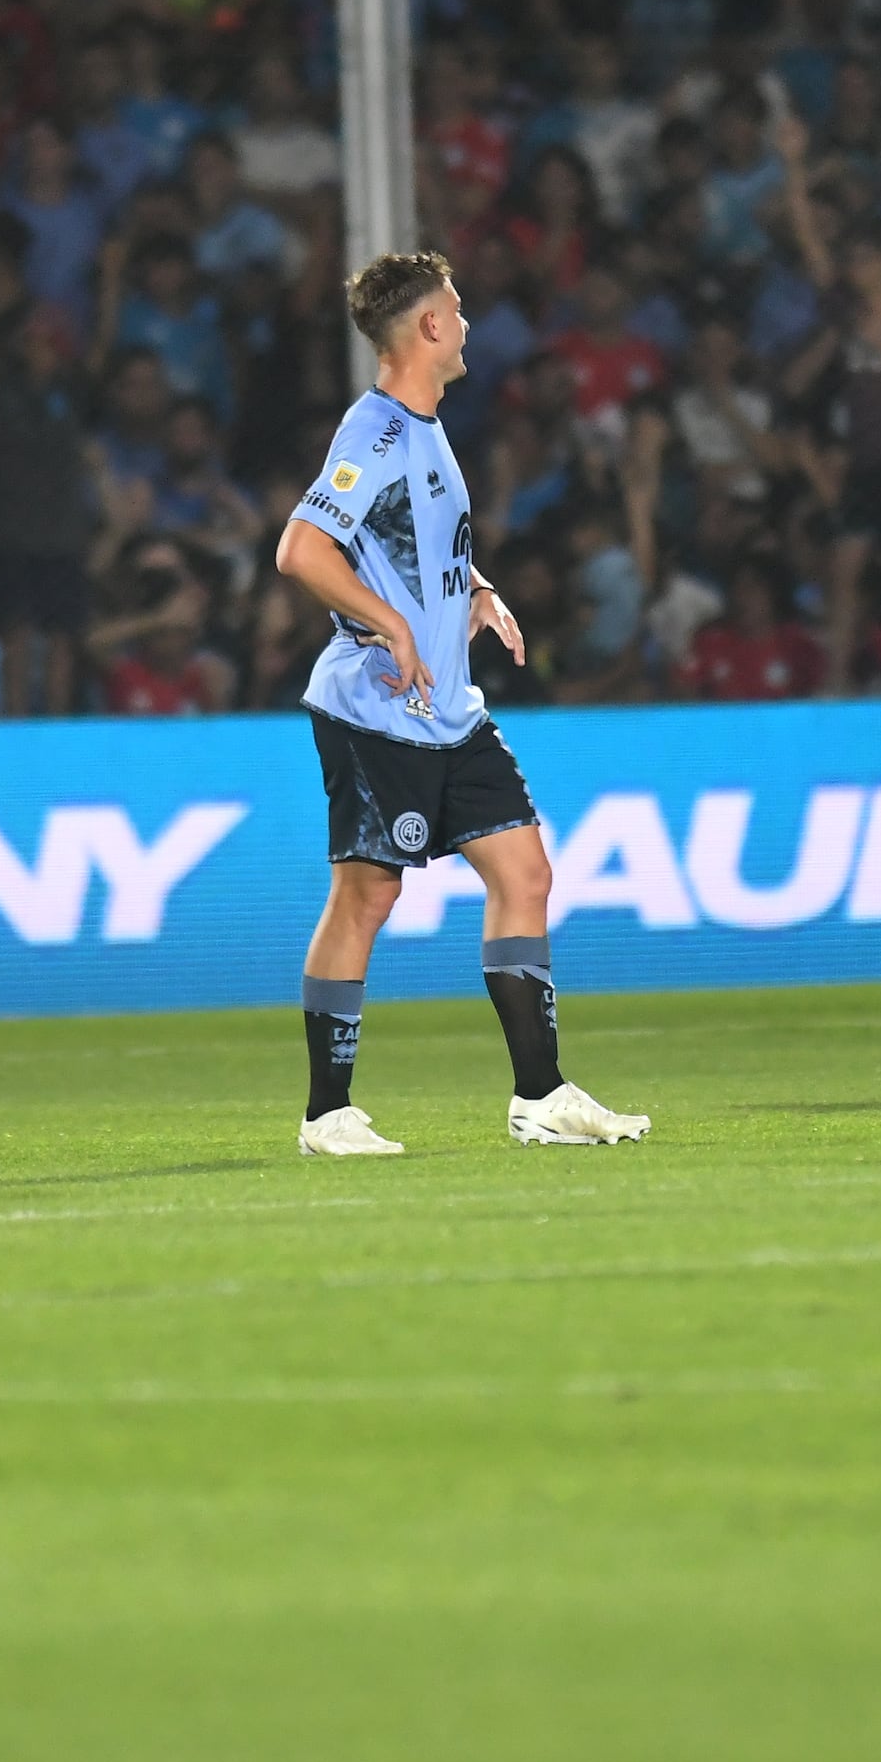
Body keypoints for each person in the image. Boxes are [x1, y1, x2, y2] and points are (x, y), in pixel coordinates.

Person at [273, 246, 649, 1158]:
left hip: (450, 711)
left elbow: (409, 543)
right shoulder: (377, 433)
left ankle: (541, 1096)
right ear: (429, 327)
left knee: (525, 876)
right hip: (376, 707)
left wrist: (474, 589)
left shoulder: (428, 428)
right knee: (366, 896)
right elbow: (302, 551)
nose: (470, 320)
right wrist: (390, 628)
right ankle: (328, 1112)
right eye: (457, 306)